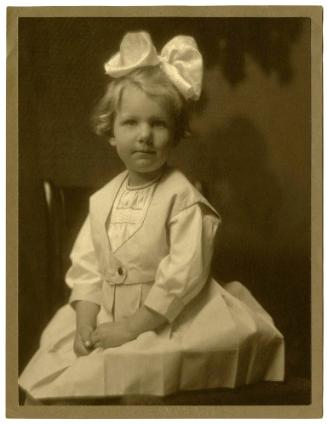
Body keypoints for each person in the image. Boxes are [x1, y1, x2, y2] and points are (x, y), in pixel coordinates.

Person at [19, 31, 284, 403]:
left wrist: (133, 326)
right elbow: (87, 267)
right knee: (54, 377)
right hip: (106, 314)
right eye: (131, 123)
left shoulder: (183, 198)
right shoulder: (102, 201)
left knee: (140, 377)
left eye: (158, 124)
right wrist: (85, 321)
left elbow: (183, 275)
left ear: (175, 135)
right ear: (110, 132)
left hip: (163, 319)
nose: (144, 135)